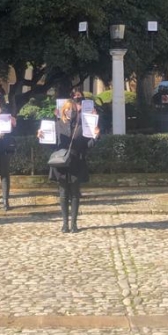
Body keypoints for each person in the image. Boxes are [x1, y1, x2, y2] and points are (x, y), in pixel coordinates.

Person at [42, 96, 99, 233]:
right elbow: (51, 146)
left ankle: (74, 224)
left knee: (74, 193)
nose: (70, 111)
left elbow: (87, 146)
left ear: (76, 111)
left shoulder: (81, 126)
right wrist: (42, 137)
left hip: (76, 161)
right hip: (61, 163)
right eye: (67, 109)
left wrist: (96, 137)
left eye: (72, 109)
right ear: (63, 111)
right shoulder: (57, 125)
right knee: (62, 194)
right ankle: (64, 223)